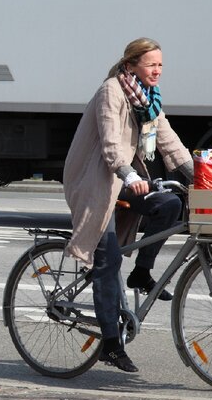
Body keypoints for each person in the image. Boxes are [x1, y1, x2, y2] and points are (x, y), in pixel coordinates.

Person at [62, 37, 193, 373]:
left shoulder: (148, 99)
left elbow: (169, 142)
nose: (157, 70)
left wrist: (200, 177)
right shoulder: (112, 91)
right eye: (151, 64)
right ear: (131, 64)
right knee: (106, 261)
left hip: (124, 179)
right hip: (95, 181)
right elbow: (109, 145)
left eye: (161, 65)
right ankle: (110, 345)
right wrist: (129, 173)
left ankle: (141, 273)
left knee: (169, 205)